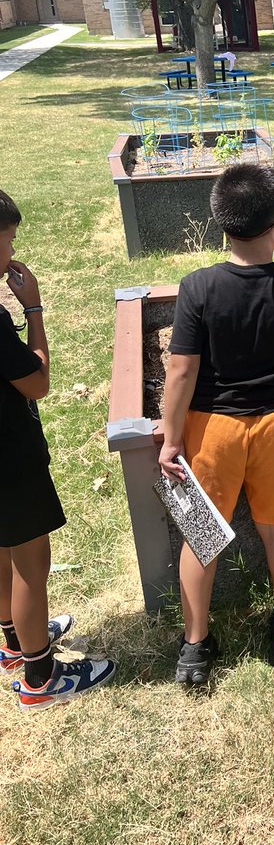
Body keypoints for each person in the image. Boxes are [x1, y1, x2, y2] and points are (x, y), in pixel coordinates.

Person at [159, 164, 274, 684]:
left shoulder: (197, 287)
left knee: (202, 537)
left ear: (222, 224)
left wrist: (171, 437)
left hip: (210, 428)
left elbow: (181, 369)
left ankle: (195, 648)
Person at [0, 190, 116, 711]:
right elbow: (38, 382)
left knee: (2, 548)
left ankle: (11, 641)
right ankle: (40, 678)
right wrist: (35, 310)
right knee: (31, 560)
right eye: (10, 238)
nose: (13, 248)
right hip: (9, 458)